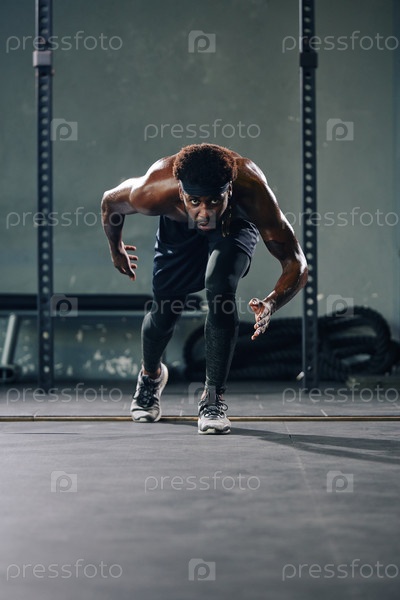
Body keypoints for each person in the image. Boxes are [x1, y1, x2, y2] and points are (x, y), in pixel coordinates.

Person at [101, 143, 307, 434]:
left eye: (214, 201)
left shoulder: (253, 192)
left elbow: (296, 262)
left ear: (229, 191)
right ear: (181, 192)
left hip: (233, 226)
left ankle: (212, 399)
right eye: (195, 201)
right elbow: (110, 203)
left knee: (220, 287)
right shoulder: (153, 191)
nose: (205, 212)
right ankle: (150, 376)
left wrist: (272, 302)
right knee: (164, 311)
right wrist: (116, 249)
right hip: (177, 230)